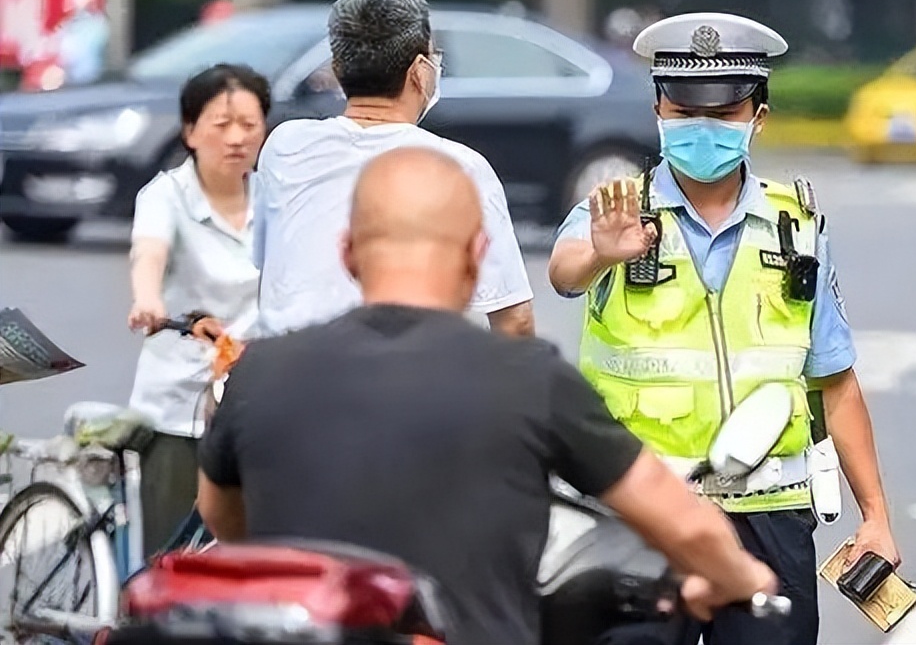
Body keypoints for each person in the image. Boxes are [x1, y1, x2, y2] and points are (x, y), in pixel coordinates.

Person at [196, 146, 778, 645]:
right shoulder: (528, 377)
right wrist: (742, 579)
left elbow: (222, 517)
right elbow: (680, 522)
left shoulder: (258, 374)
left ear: (348, 253)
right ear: (477, 256)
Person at [546, 13, 902, 645]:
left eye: (722, 114)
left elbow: (835, 381)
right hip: (643, 514)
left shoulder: (799, 229)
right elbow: (565, 273)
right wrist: (602, 252)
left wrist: (875, 516)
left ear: (757, 118)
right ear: (658, 108)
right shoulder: (617, 210)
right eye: (682, 112)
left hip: (770, 514)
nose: (700, 128)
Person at [251, 0, 534, 339]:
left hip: (285, 378)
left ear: (337, 70)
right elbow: (515, 321)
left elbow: (269, 269)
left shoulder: (285, 146)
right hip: (407, 382)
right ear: (420, 70)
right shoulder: (458, 168)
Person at [126, 63, 270, 556]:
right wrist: (148, 300)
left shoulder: (276, 199)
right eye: (221, 124)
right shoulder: (165, 196)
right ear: (190, 131)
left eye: (249, 125)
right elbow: (150, 252)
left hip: (252, 395)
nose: (236, 138)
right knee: (165, 552)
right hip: (178, 402)